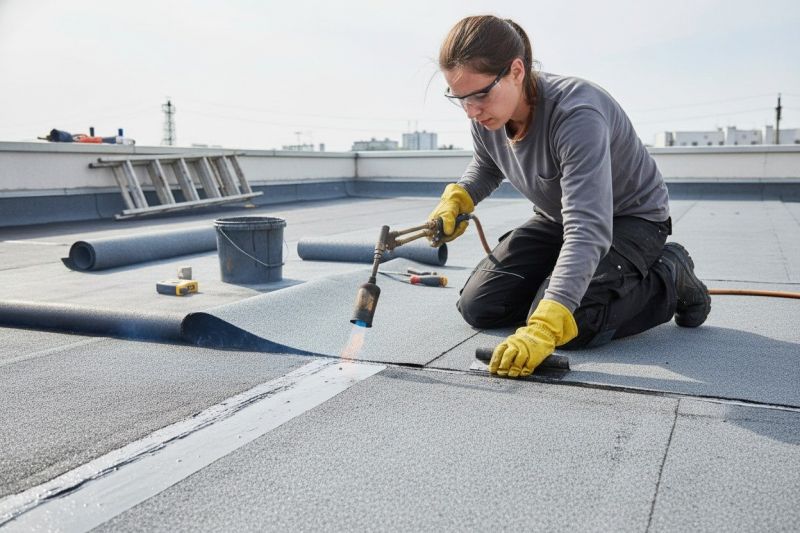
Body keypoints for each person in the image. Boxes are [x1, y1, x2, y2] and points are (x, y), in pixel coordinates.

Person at [428, 15, 711, 378]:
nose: (471, 110)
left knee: (576, 320)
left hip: (630, 219)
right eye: (460, 98)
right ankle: (571, 283)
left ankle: (670, 274)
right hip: (558, 217)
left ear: (516, 70)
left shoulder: (576, 113)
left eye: (480, 94)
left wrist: (546, 323)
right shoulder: (486, 116)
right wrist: (458, 199)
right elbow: (486, 165)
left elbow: (588, 225)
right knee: (481, 306)